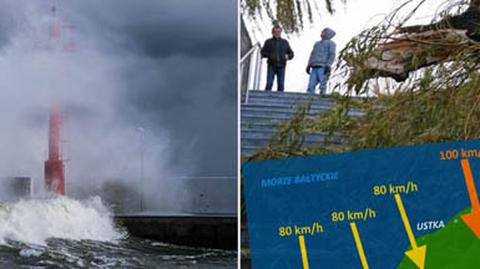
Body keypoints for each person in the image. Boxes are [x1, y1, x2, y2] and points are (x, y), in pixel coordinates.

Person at [261, 25, 294, 92]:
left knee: (281, 84)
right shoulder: (268, 42)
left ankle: (281, 101)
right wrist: (270, 55)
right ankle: (266, 97)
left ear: (281, 32)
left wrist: (287, 57)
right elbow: (262, 52)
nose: (277, 33)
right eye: (275, 32)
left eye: (279, 32)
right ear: (272, 33)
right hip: (271, 65)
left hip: (282, 65)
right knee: (269, 83)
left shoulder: (285, 42)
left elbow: (291, 54)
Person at [306, 27, 336, 95]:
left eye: (324, 32)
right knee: (311, 85)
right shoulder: (317, 43)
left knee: (322, 85)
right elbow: (312, 54)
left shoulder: (331, 43)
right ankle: (309, 99)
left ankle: (322, 98)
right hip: (314, 66)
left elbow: (332, 54)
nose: (322, 33)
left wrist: (328, 65)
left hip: (323, 67)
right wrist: (308, 65)